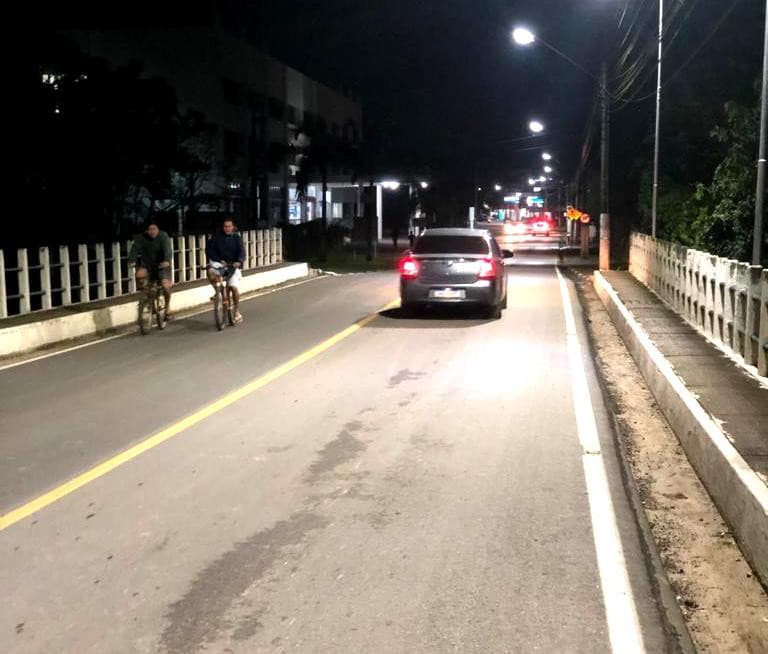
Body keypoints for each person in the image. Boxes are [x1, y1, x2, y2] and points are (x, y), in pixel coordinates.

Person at [128, 219, 174, 318]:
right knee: (140, 276)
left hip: (162, 265)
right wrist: (132, 260)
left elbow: (167, 250)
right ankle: (147, 299)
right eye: (149, 229)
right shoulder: (141, 238)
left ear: (158, 229)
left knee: (166, 286)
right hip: (147, 265)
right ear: (146, 230)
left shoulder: (163, 236)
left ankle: (167, 307)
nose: (152, 232)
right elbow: (134, 249)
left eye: (154, 229)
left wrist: (167, 260)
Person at [206, 218, 246, 323]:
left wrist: (239, 261)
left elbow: (242, 251)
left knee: (233, 287)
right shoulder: (216, 237)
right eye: (225, 226)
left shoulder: (237, 238)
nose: (227, 228)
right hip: (220, 263)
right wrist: (219, 260)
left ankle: (236, 311)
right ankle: (218, 292)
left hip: (232, 265)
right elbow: (209, 250)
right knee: (210, 272)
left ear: (233, 227)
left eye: (229, 226)